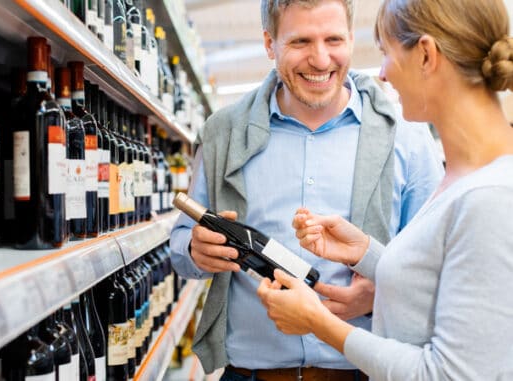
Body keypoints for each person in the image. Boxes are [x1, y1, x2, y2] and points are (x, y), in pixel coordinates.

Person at [169, 0, 444, 380]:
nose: (320, 59)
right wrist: (195, 250)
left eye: (334, 39)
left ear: (350, 38)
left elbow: (435, 273)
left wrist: (381, 296)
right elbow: (180, 248)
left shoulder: (407, 139)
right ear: (270, 44)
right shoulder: (224, 135)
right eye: (300, 42)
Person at [257, 0, 513, 380]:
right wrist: (366, 254)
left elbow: (448, 375)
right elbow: (440, 287)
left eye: (386, 53)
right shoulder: (464, 178)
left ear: (425, 55)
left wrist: (318, 321)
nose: (382, 74)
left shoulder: (491, 196)